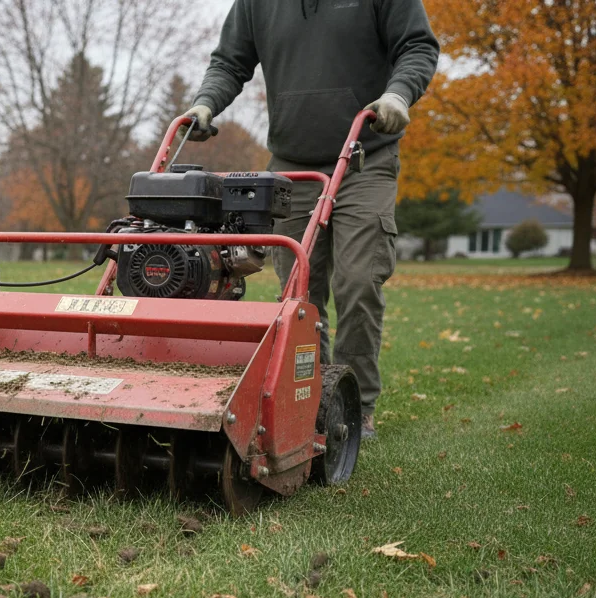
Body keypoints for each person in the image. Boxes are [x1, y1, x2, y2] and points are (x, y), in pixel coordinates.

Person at [179, 0, 439, 439]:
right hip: (293, 166)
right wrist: (205, 104)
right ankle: (311, 398)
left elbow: (417, 46)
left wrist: (399, 93)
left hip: (365, 155)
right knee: (300, 293)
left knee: (358, 280)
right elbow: (230, 61)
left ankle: (357, 404)